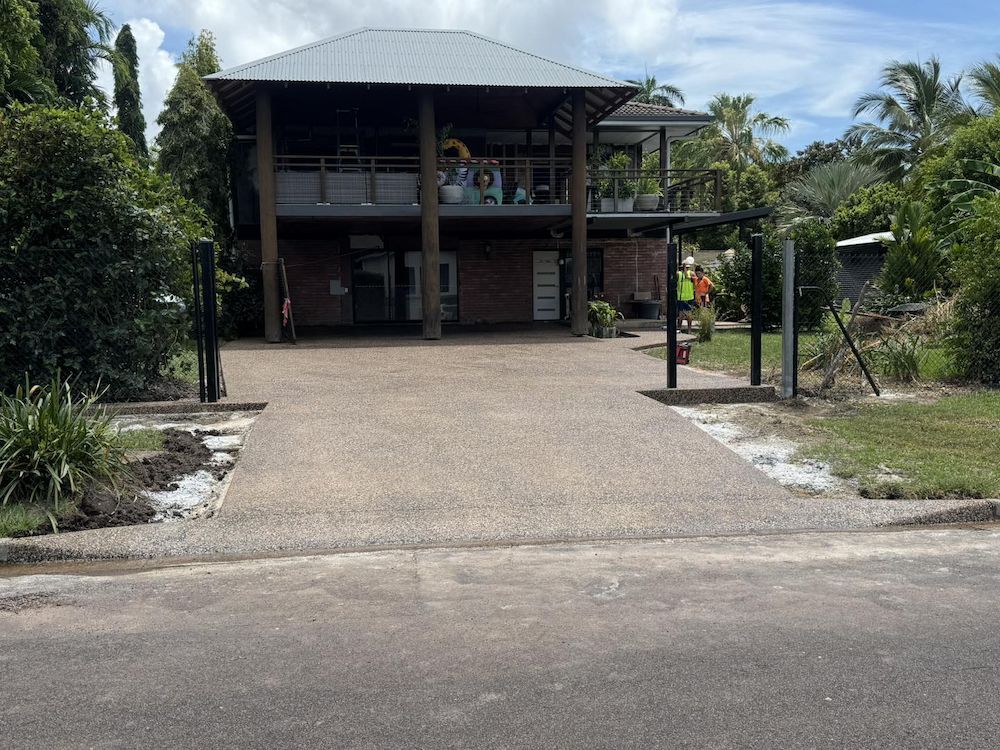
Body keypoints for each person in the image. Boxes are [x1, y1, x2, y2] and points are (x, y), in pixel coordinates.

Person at [677, 256, 697, 333]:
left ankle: (679, 329)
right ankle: (689, 330)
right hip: (689, 297)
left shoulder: (678, 274)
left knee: (681, 314)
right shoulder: (692, 273)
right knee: (689, 314)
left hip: (681, 297)